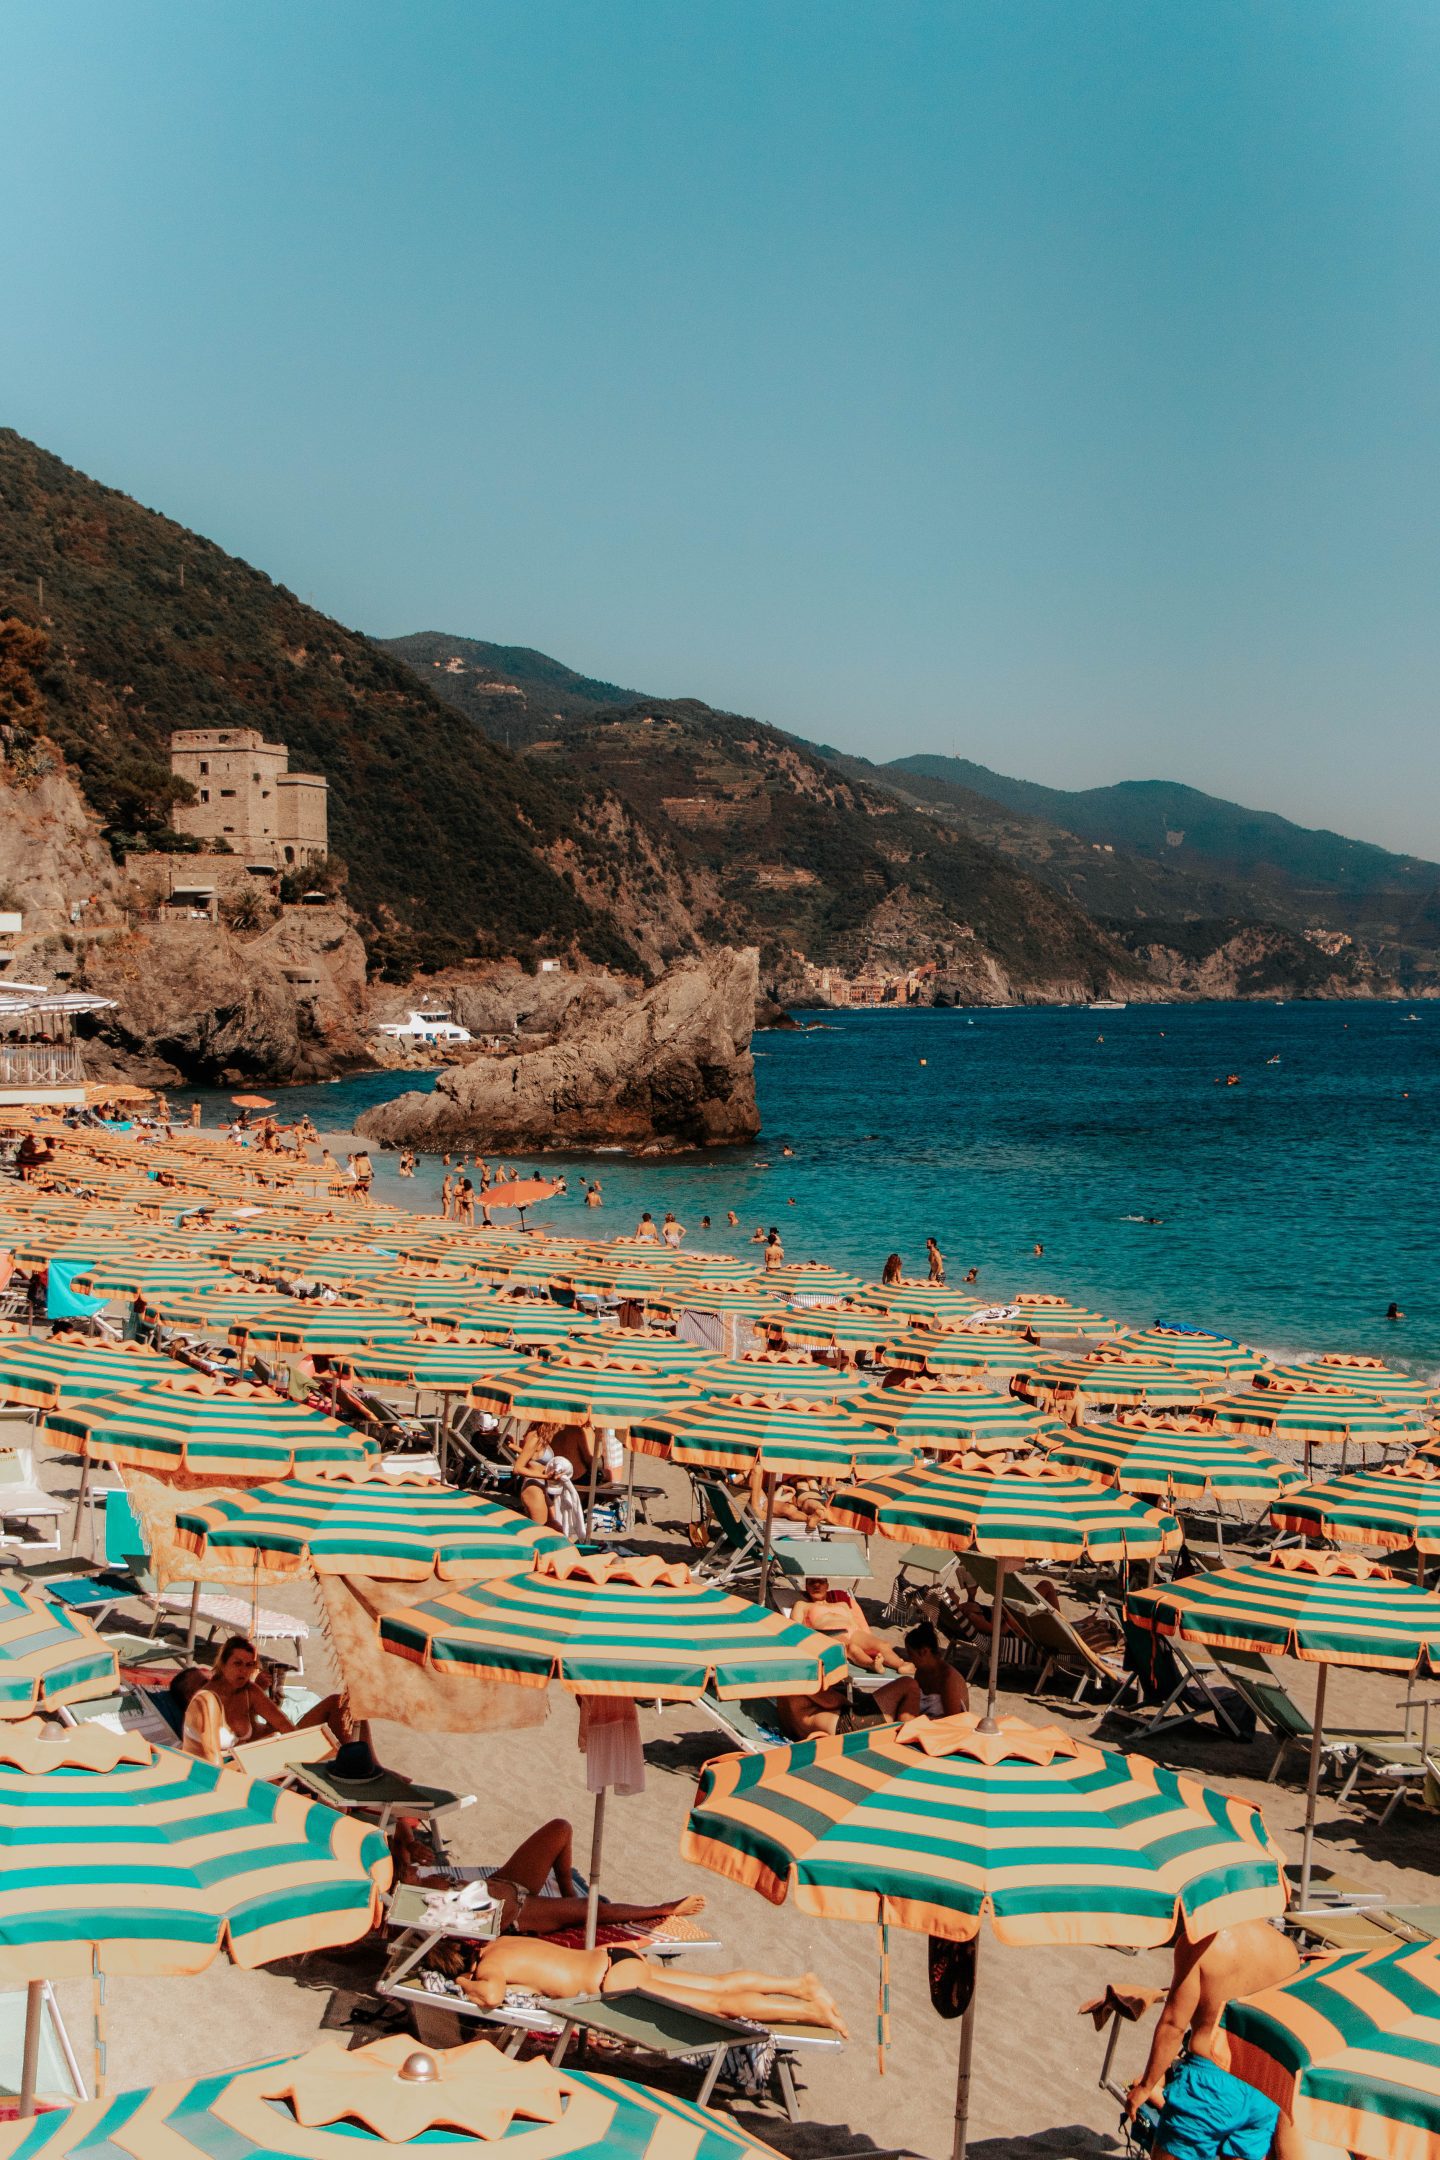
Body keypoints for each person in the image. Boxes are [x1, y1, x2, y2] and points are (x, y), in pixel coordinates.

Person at [1125, 1915, 1301, 2160]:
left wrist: (1146, 2086)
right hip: (1262, 2085)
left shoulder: (1201, 1943)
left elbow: (1174, 2024)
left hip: (1211, 2083)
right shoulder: (1287, 1951)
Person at [453, 1935, 849, 2036]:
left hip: (613, 1981)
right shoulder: (501, 1942)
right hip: (615, 1957)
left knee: (721, 2005)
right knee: (717, 1984)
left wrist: (462, 1982)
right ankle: (799, 1985)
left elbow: (491, 1996)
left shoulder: (490, 1966)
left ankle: (809, 2010)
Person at [393, 1814, 704, 1937]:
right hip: (520, 1912)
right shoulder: (418, 1899)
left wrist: (409, 1843)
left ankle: (567, 1888)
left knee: (560, 1828)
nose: (413, 1864)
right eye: (406, 1867)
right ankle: (663, 1908)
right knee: (594, 1910)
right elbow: (473, 1921)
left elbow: (399, 1824)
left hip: (507, 1881)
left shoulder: (416, 1880)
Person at [177, 1639, 373, 1767]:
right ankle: (352, 1768)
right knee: (332, 1752)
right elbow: (213, 1761)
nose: (211, 1682)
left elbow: (284, 1727)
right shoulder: (202, 1707)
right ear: (189, 1698)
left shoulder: (246, 1691)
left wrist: (293, 1740)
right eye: (202, 1683)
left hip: (270, 1749)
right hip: (247, 1766)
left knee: (340, 1703)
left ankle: (364, 1763)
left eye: (248, 1665)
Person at [903, 1621, 969, 1717]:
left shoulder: (948, 1679)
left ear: (924, 1652)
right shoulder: (920, 1673)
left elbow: (952, 1720)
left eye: (911, 1654)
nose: (909, 1658)